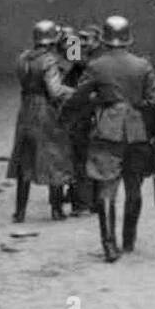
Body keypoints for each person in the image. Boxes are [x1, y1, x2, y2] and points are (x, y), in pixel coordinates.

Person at [62, 16, 155, 262]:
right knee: (134, 187)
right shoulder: (143, 65)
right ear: (128, 38)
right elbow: (153, 101)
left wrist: (68, 115)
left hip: (108, 130)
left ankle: (109, 246)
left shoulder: (96, 66)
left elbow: (79, 96)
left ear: (104, 39)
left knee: (107, 187)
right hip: (137, 131)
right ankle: (129, 240)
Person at [7, 20, 74, 222]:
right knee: (55, 154)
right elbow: (55, 91)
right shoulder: (49, 60)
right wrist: (75, 92)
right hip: (45, 109)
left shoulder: (23, 58)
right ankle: (56, 209)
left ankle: (20, 212)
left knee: (24, 159)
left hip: (26, 108)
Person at [60, 23, 101, 217]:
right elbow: (72, 58)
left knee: (83, 158)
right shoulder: (86, 56)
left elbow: (77, 60)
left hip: (88, 111)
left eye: (87, 39)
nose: (82, 42)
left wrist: (71, 41)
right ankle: (89, 201)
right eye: (81, 38)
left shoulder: (94, 59)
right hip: (88, 112)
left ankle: (85, 203)